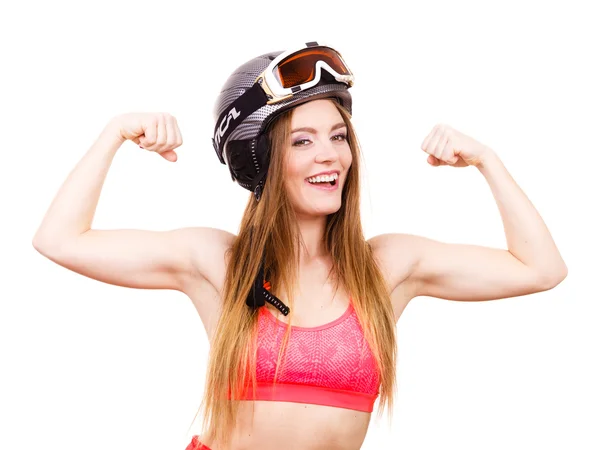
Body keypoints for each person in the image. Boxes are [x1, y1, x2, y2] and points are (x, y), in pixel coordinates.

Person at [32, 42, 568, 450]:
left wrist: (487, 162)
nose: (329, 156)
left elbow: (540, 269)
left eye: (338, 136)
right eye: (302, 141)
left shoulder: (390, 267)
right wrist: (115, 132)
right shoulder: (217, 263)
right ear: (261, 160)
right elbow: (60, 240)